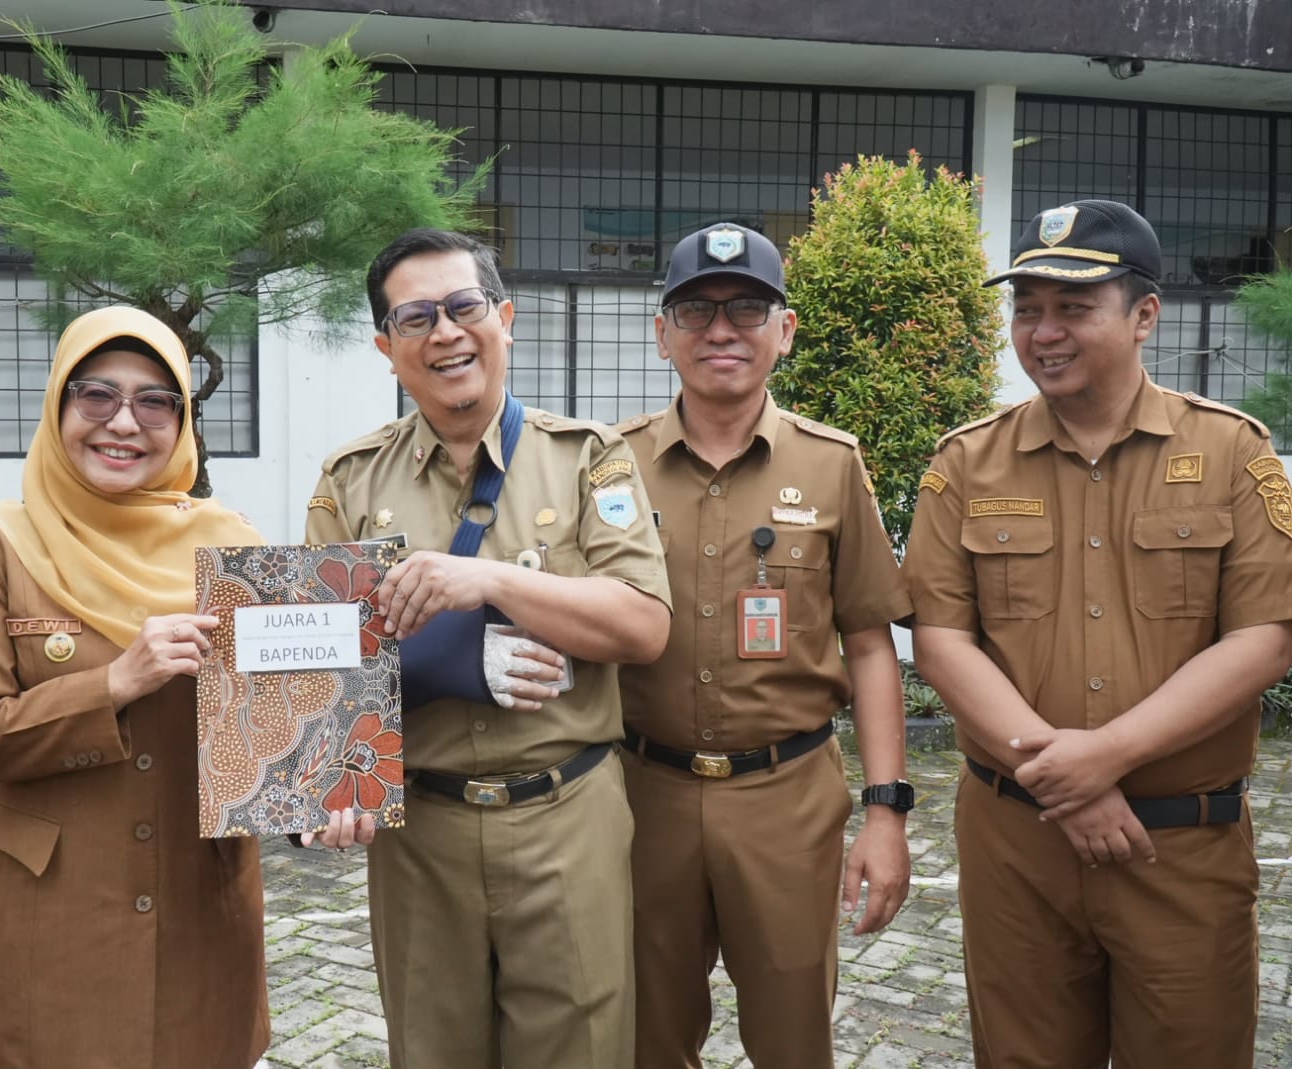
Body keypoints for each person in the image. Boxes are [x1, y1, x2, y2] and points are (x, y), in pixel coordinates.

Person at [903, 199, 1292, 1068]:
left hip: (1180, 849)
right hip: (1017, 848)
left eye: (1073, 307)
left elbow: (1265, 637)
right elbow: (942, 641)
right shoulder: (966, 462)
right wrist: (1066, 780)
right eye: (1027, 308)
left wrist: (1106, 754)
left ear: (1144, 314)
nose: (1043, 331)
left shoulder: (1233, 454)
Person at [303, 227, 672, 1068]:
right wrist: (324, 787)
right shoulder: (350, 480)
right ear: (385, 347)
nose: (445, 332)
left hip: (566, 814)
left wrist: (496, 583)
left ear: (505, 318)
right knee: (432, 1051)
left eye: (465, 306)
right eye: (416, 317)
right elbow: (320, 668)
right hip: (419, 829)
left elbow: (643, 624)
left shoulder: (588, 460)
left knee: (580, 1049)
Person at [0, 305, 270, 1069]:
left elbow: (275, 724)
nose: (124, 422)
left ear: (182, 422)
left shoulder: (236, 547)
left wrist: (321, 804)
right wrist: (114, 682)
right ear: (59, 405)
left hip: (200, 903)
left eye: (156, 400)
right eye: (97, 395)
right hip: (55, 911)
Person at [615, 221, 913, 1068]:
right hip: (644, 794)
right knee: (646, 1035)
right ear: (663, 332)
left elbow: (868, 641)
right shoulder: (609, 466)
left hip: (788, 797)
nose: (721, 330)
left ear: (784, 331)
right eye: (697, 309)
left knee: (792, 1036)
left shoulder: (830, 465)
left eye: (747, 308)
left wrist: (886, 809)